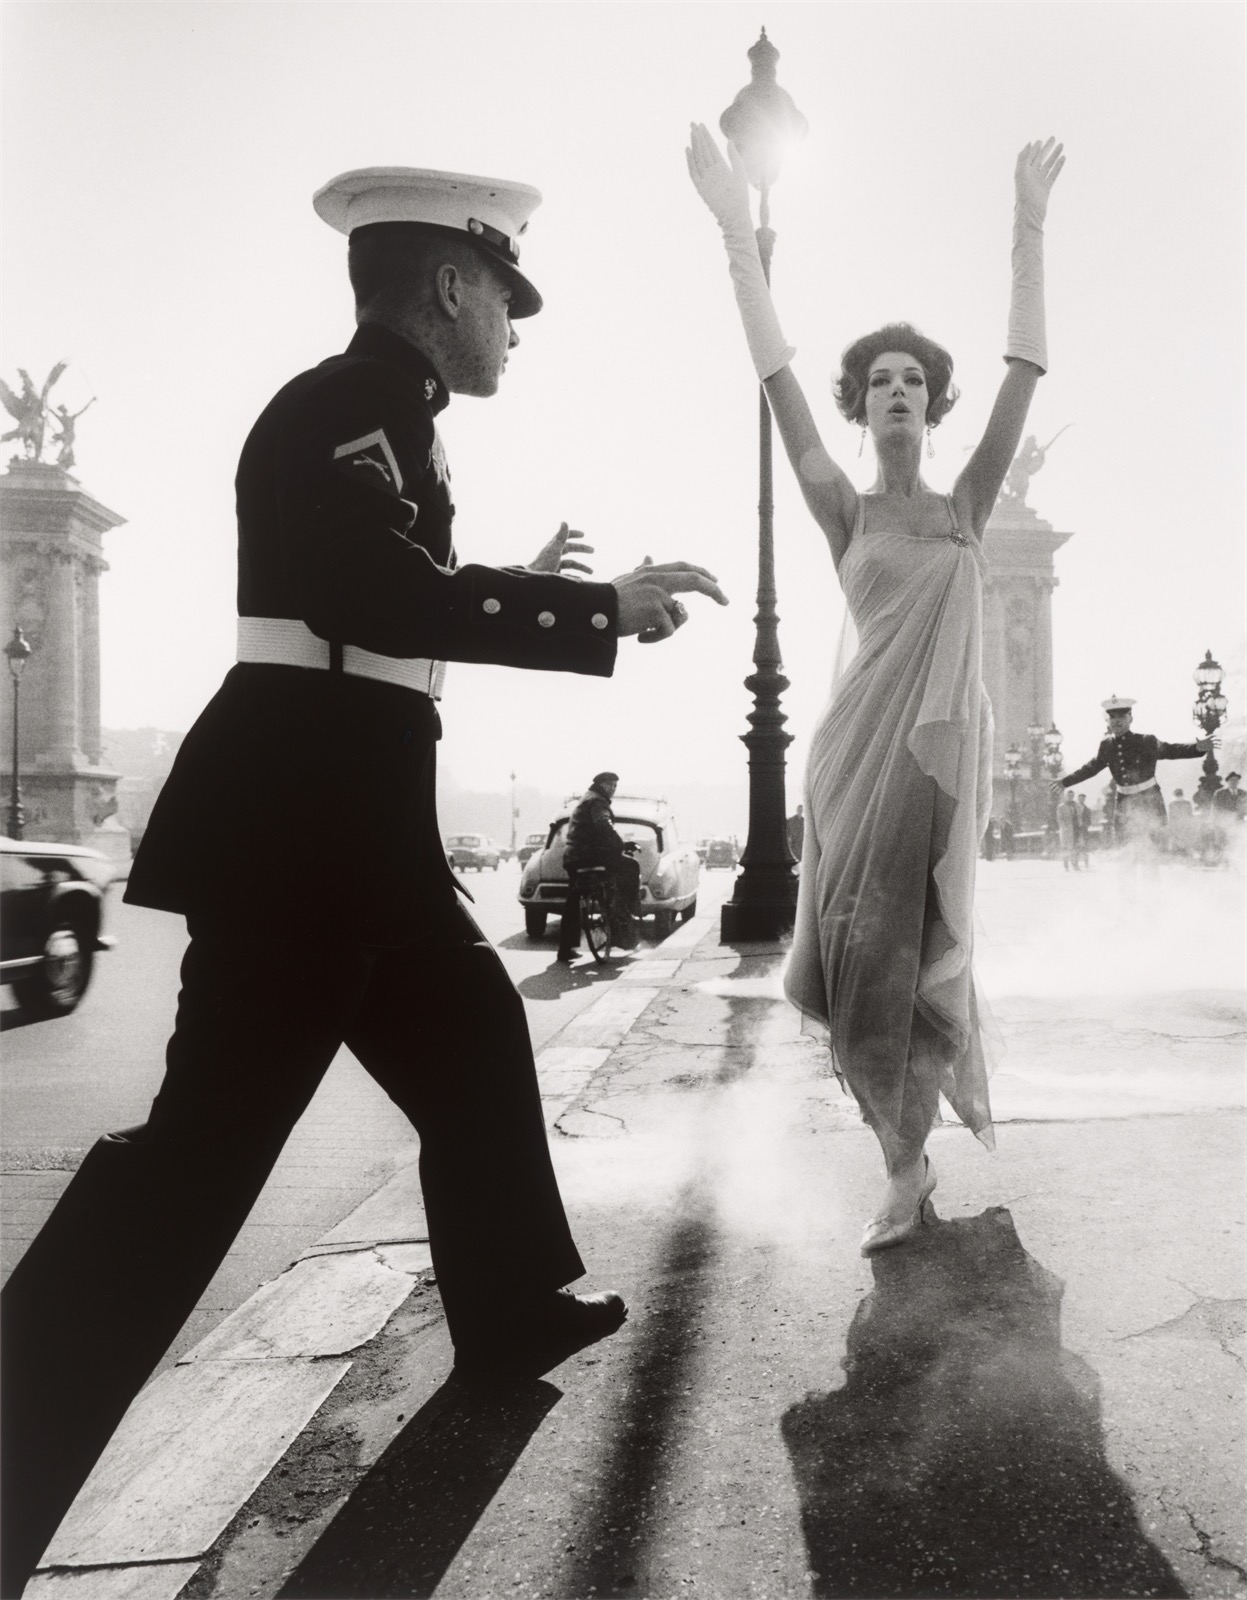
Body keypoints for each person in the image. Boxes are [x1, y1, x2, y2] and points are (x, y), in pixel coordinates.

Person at [0, 164, 729, 1599]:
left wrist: (516, 575)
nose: (514, 329)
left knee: (469, 1035)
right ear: (449, 287)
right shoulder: (345, 404)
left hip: (354, 826)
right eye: (504, 302)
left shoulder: (391, 417)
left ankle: (513, 1305)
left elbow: (379, 601)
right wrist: (590, 609)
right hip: (304, 833)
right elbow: (362, 598)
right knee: (196, 1163)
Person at [687, 125, 1065, 1252]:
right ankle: (898, 1161)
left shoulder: (966, 506)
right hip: (852, 764)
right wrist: (728, 230)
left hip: (938, 761)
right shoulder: (840, 510)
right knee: (858, 961)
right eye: (879, 382)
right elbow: (774, 377)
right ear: (859, 407)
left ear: (930, 408)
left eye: (914, 381)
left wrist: (1027, 224)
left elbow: (1023, 372)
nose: (897, 391)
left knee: (924, 957)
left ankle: (905, 1163)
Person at [1052, 696, 1211, 848]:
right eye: (1112, 717)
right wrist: (1065, 782)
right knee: (1124, 847)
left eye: (1121, 716)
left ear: (1130, 719)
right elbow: (1091, 768)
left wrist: (1196, 748)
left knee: (1153, 849)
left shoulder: (1146, 741)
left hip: (1149, 799)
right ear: (1108, 721)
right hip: (1124, 801)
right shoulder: (1107, 746)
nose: (1117, 721)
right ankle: (1126, 878)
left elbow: (1171, 750)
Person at [556, 771, 641, 961]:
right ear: (601, 785)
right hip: (590, 856)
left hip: (574, 858)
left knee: (574, 900)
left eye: (615, 786)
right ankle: (627, 911)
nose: (613, 789)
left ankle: (565, 948)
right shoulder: (597, 802)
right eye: (610, 785)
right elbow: (603, 824)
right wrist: (621, 844)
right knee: (631, 866)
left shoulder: (586, 798)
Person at [1056, 791, 1080, 870]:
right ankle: (1066, 865)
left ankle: (1075, 864)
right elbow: (1059, 819)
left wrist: (1080, 826)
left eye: (1072, 796)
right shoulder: (1061, 806)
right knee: (1065, 847)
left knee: (1075, 847)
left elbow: (1079, 817)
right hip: (1066, 830)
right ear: (1065, 796)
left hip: (1075, 829)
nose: (1070, 797)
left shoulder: (1076, 805)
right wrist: (1064, 827)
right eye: (1069, 795)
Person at [1074, 793, 1093, 868]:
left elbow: (1089, 821)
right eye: (1080, 798)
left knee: (1085, 848)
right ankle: (1075, 864)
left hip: (1084, 831)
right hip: (1076, 831)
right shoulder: (1074, 809)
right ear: (1078, 799)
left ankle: (1086, 863)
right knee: (1076, 848)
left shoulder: (1088, 810)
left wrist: (1085, 825)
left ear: (1084, 799)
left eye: (1083, 798)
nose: (1081, 800)